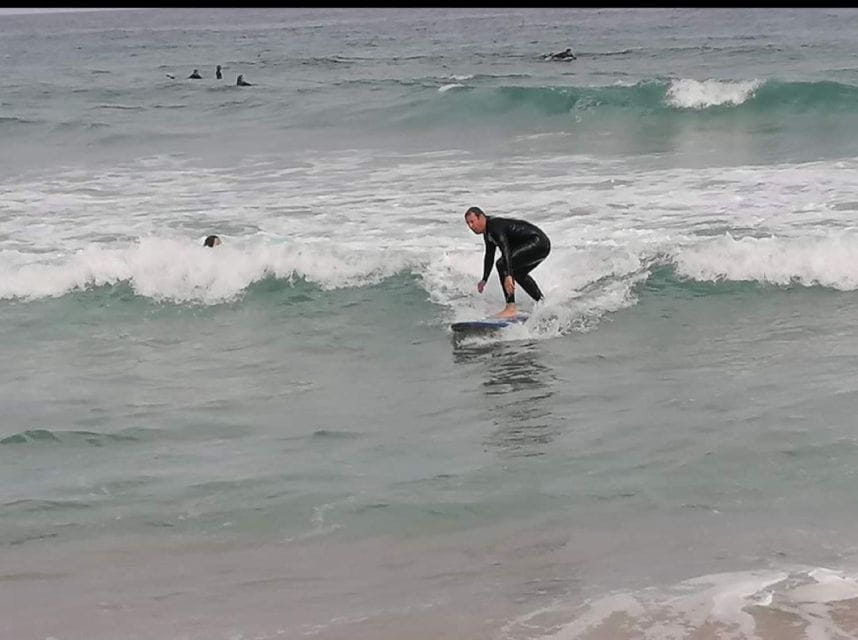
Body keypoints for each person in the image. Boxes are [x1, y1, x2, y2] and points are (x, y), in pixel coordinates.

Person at [464, 206, 550, 318]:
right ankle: (542, 303)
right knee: (519, 274)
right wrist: (484, 279)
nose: (471, 226)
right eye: (468, 223)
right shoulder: (488, 233)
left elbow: (505, 249)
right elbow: (489, 255)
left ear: (481, 217)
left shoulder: (494, 227)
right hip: (542, 245)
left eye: (472, 222)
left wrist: (508, 275)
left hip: (537, 242)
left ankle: (511, 307)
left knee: (501, 264)